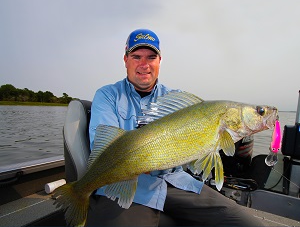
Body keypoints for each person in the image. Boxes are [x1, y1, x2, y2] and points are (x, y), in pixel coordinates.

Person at [87, 29, 263, 226]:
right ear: (126, 59)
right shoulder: (107, 95)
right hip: (127, 185)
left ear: (159, 61)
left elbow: (199, 151)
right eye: (136, 57)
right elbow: (104, 146)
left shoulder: (177, 100)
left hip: (175, 182)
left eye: (151, 57)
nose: (144, 64)